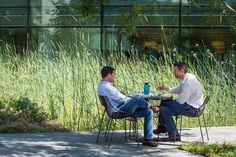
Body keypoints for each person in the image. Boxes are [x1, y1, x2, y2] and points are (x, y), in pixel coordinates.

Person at [97, 66, 158, 147]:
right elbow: (122, 99)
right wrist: (131, 99)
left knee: (148, 112)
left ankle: (148, 139)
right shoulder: (107, 87)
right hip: (118, 110)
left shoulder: (101, 85)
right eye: (113, 74)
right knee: (138, 98)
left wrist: (121, 94)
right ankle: (150, 106)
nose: (114, 76)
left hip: (118, 107)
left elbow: (116, 96)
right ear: (109, 75)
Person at [154, 62, 204, 141]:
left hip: (193, 109)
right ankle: (174, 135)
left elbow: (181, 101)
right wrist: (166, 88)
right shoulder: (186, 78)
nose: (173, 72)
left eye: (175, 70)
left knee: (164, 102)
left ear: (182, 70)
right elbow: (178, 90)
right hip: (189, 105)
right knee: (164, 110)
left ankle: (162, 126)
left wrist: (168, 103)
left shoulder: (189, 81)